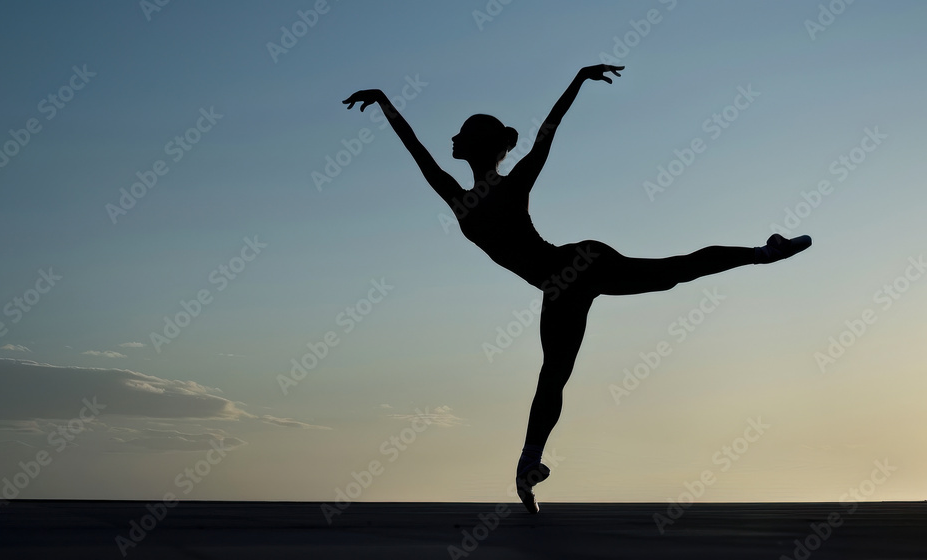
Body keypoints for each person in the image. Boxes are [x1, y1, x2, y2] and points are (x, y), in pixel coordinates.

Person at [343, 64, 811, 513]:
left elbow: (546, 130)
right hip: (559, 284)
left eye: (461, 133)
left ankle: (763, 252)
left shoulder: (490, 190)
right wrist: (385, 101)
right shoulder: (459, 193)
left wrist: (577, 81)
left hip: (573, 266)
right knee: (564, 365)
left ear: (476, 146)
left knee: (667, 276)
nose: (451, 138)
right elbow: (418, 148)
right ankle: (528, 464)